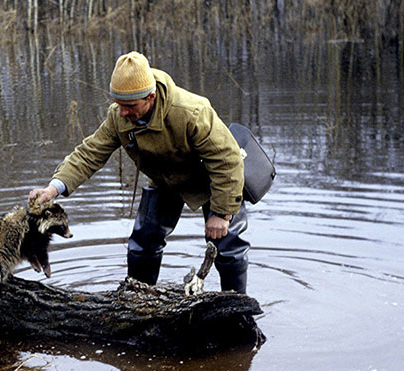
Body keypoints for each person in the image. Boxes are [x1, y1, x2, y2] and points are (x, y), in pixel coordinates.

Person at [28, 51, 250, 293]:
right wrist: (53, 188)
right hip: (165, 179)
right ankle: (138, 303)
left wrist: (222, 214)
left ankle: (237, 306)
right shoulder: (119, 116)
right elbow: (89, 153)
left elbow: (227, 161)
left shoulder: (191, 112)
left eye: (129, 106)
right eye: (118, 104)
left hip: (214, 179)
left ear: (151, 97)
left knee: (228, 248)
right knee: (143, 243)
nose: (122, 112)